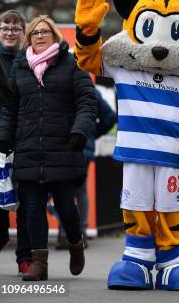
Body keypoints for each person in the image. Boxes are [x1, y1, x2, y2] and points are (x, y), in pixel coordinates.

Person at [0, 15, 96, 281]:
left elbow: (87, 100)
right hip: (28, 148)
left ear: (54, 35)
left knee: (66, 207)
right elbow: (10, 108)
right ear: (29, 38)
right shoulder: (20, 68)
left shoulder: (72, 63)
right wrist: (4, 138)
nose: (39, 36)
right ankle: (39, 263)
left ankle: (76, 243)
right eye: (35, 33)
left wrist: (80, 130)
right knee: (32, 208)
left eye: (44, 32)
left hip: (62, 148)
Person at [0, 10, 32, 275]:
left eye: (16, 29)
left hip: (25, 136)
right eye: (5, 28)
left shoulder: (31, 58)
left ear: (23, 32)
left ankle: (25, 258)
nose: (10, 32)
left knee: (29, 200)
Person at [56, 88, 116, 249]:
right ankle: (80, 233)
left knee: (61, 189)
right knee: (80, 191)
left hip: (60, 145)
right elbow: (110, 116)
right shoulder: (91, 89)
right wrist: (91, 134)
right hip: (84, 147)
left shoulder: (56, 82)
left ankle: (65, 234)